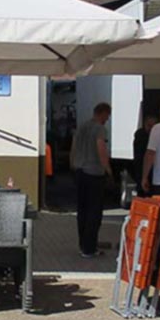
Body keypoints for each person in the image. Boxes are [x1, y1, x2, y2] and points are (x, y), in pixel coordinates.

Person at [70, 102, 112, 258]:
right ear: (102, 113)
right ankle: (90, 248)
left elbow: (74, 146)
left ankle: (83, 245)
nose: (107, 119)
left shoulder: (82, 126)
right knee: (94, 212)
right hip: (94, 173)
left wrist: (72, 163)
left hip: (80, 171)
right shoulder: (100, 129)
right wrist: (107, 168)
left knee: (82, 210)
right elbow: (101, 147)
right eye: (107, 115)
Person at [131, 113, 157, 197]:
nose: (151, 128)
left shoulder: (154, 136)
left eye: (153, 126)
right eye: (149, 125)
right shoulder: (140, 136)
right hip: (142, 170)